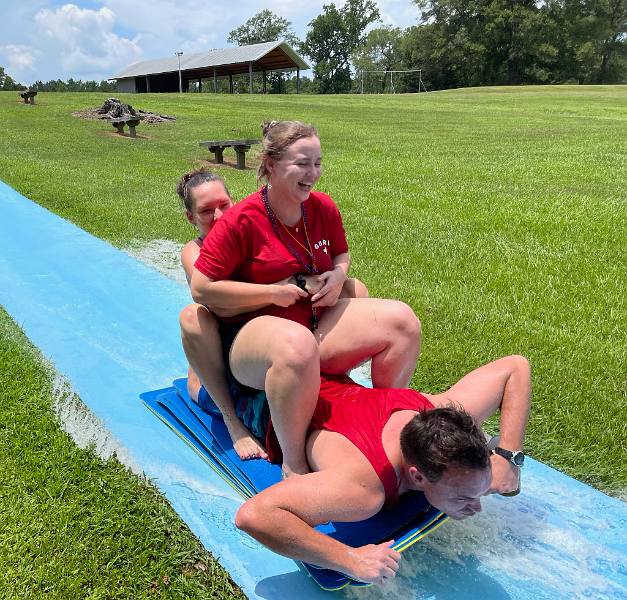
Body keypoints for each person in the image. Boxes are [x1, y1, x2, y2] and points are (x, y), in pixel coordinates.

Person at [187, 121, 421, 480]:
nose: (313, 173)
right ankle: (294, 463)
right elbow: (202, 288)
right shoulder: (241, 220)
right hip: (253, 341)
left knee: (402, 322)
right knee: (296, 346)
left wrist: (338, 276)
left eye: (318, 162)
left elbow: (341, 255)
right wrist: (274, 291)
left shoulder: (322, 207)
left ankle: (390, 423)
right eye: (302, 164)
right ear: (270, 164)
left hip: (311, 323)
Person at [235, 355, 531, 586]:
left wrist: (508, 457)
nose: (477, 507)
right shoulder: (364, 490)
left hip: (322, 379)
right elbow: (254, 515)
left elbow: (515, 367)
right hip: (267, 400)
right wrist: (350, 560)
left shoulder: (436, 412)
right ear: (417, 476)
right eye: (464, 497)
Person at [177, 167, 369, 461]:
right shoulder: (194, 252)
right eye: (205, 211)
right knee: (192, 317)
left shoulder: (249, 228)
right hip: (228, 352)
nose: (218, 216)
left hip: (274, 334)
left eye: (224, 205)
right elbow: (222, 306)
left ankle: (335, 377)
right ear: (191, 218)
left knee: (354, 289)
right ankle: (231, 420)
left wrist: (333, 278)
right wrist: (282, 288)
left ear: (234, 201)